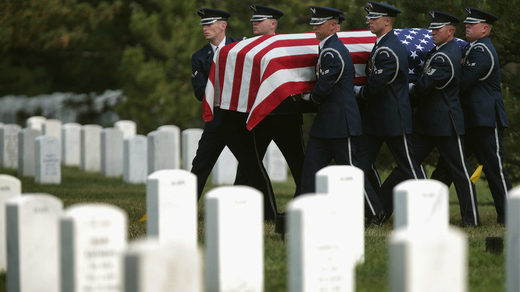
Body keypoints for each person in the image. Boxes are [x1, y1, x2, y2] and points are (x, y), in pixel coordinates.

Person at [383, 11, 480, 226]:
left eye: (438, 29)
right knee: (406, 165)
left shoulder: (445, 55)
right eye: (432, 29)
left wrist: (404, 87)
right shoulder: (442, 51)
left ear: (450, 31)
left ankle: (471, 219)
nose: (433, 33)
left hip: (445, 123)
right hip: (430, 123)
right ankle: (380, 210)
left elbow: (424, 87)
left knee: (460, 172)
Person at [299, 6, 386, 224]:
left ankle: (375, 212)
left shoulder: (333, 52)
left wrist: (307, 98)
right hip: (327, 124)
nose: (314, 26)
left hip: (341, 123)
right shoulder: (327, 49)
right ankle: (303, 211)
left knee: (352, 172)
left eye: (319, 23)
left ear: (332, 26)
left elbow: (324, 88)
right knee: (311, 167)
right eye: (314, 22)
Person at [190, 8, 277, 220]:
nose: (205, 28)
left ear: (223, 25)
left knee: (254, 168)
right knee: (199, 166)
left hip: (238, 122)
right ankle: (183, 208)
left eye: (210, 24)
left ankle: (270, 214)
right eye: (204, 24)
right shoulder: (200, 57)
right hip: (216, 122)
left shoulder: (242, 47)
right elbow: (201, 92)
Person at [431, 8, 511, 224]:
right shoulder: (472, 49)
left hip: (485, 120)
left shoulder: (482, 51)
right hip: (471, 120)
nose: (467, 27)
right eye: (466, 24)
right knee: (447, 167)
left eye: (472, 24)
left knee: (494, 169)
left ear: (485, 29)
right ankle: (428, 211)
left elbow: (463, 82)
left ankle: (509, 215)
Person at [354, 2, 425, 216]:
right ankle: (376, 212)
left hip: (394, 119)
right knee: (357, 169)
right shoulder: (382, 44)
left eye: (374, 18)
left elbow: (377, 85)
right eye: (370, 17)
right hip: (378, 120)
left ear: (387, 21)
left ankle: (429, 209)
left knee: (410, 168)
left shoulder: (389, 48)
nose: (370, 21)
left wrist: (358, 92)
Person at [234, 4, 306, 201]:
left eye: (259, 20)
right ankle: (238, 202)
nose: (254, 23)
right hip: (260, 116)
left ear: (273, 23)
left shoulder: (287, 48)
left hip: (287, 116)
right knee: (248, 164)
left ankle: (305, 203)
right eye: (253, 21)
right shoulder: (247, 49)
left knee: (299, 164)